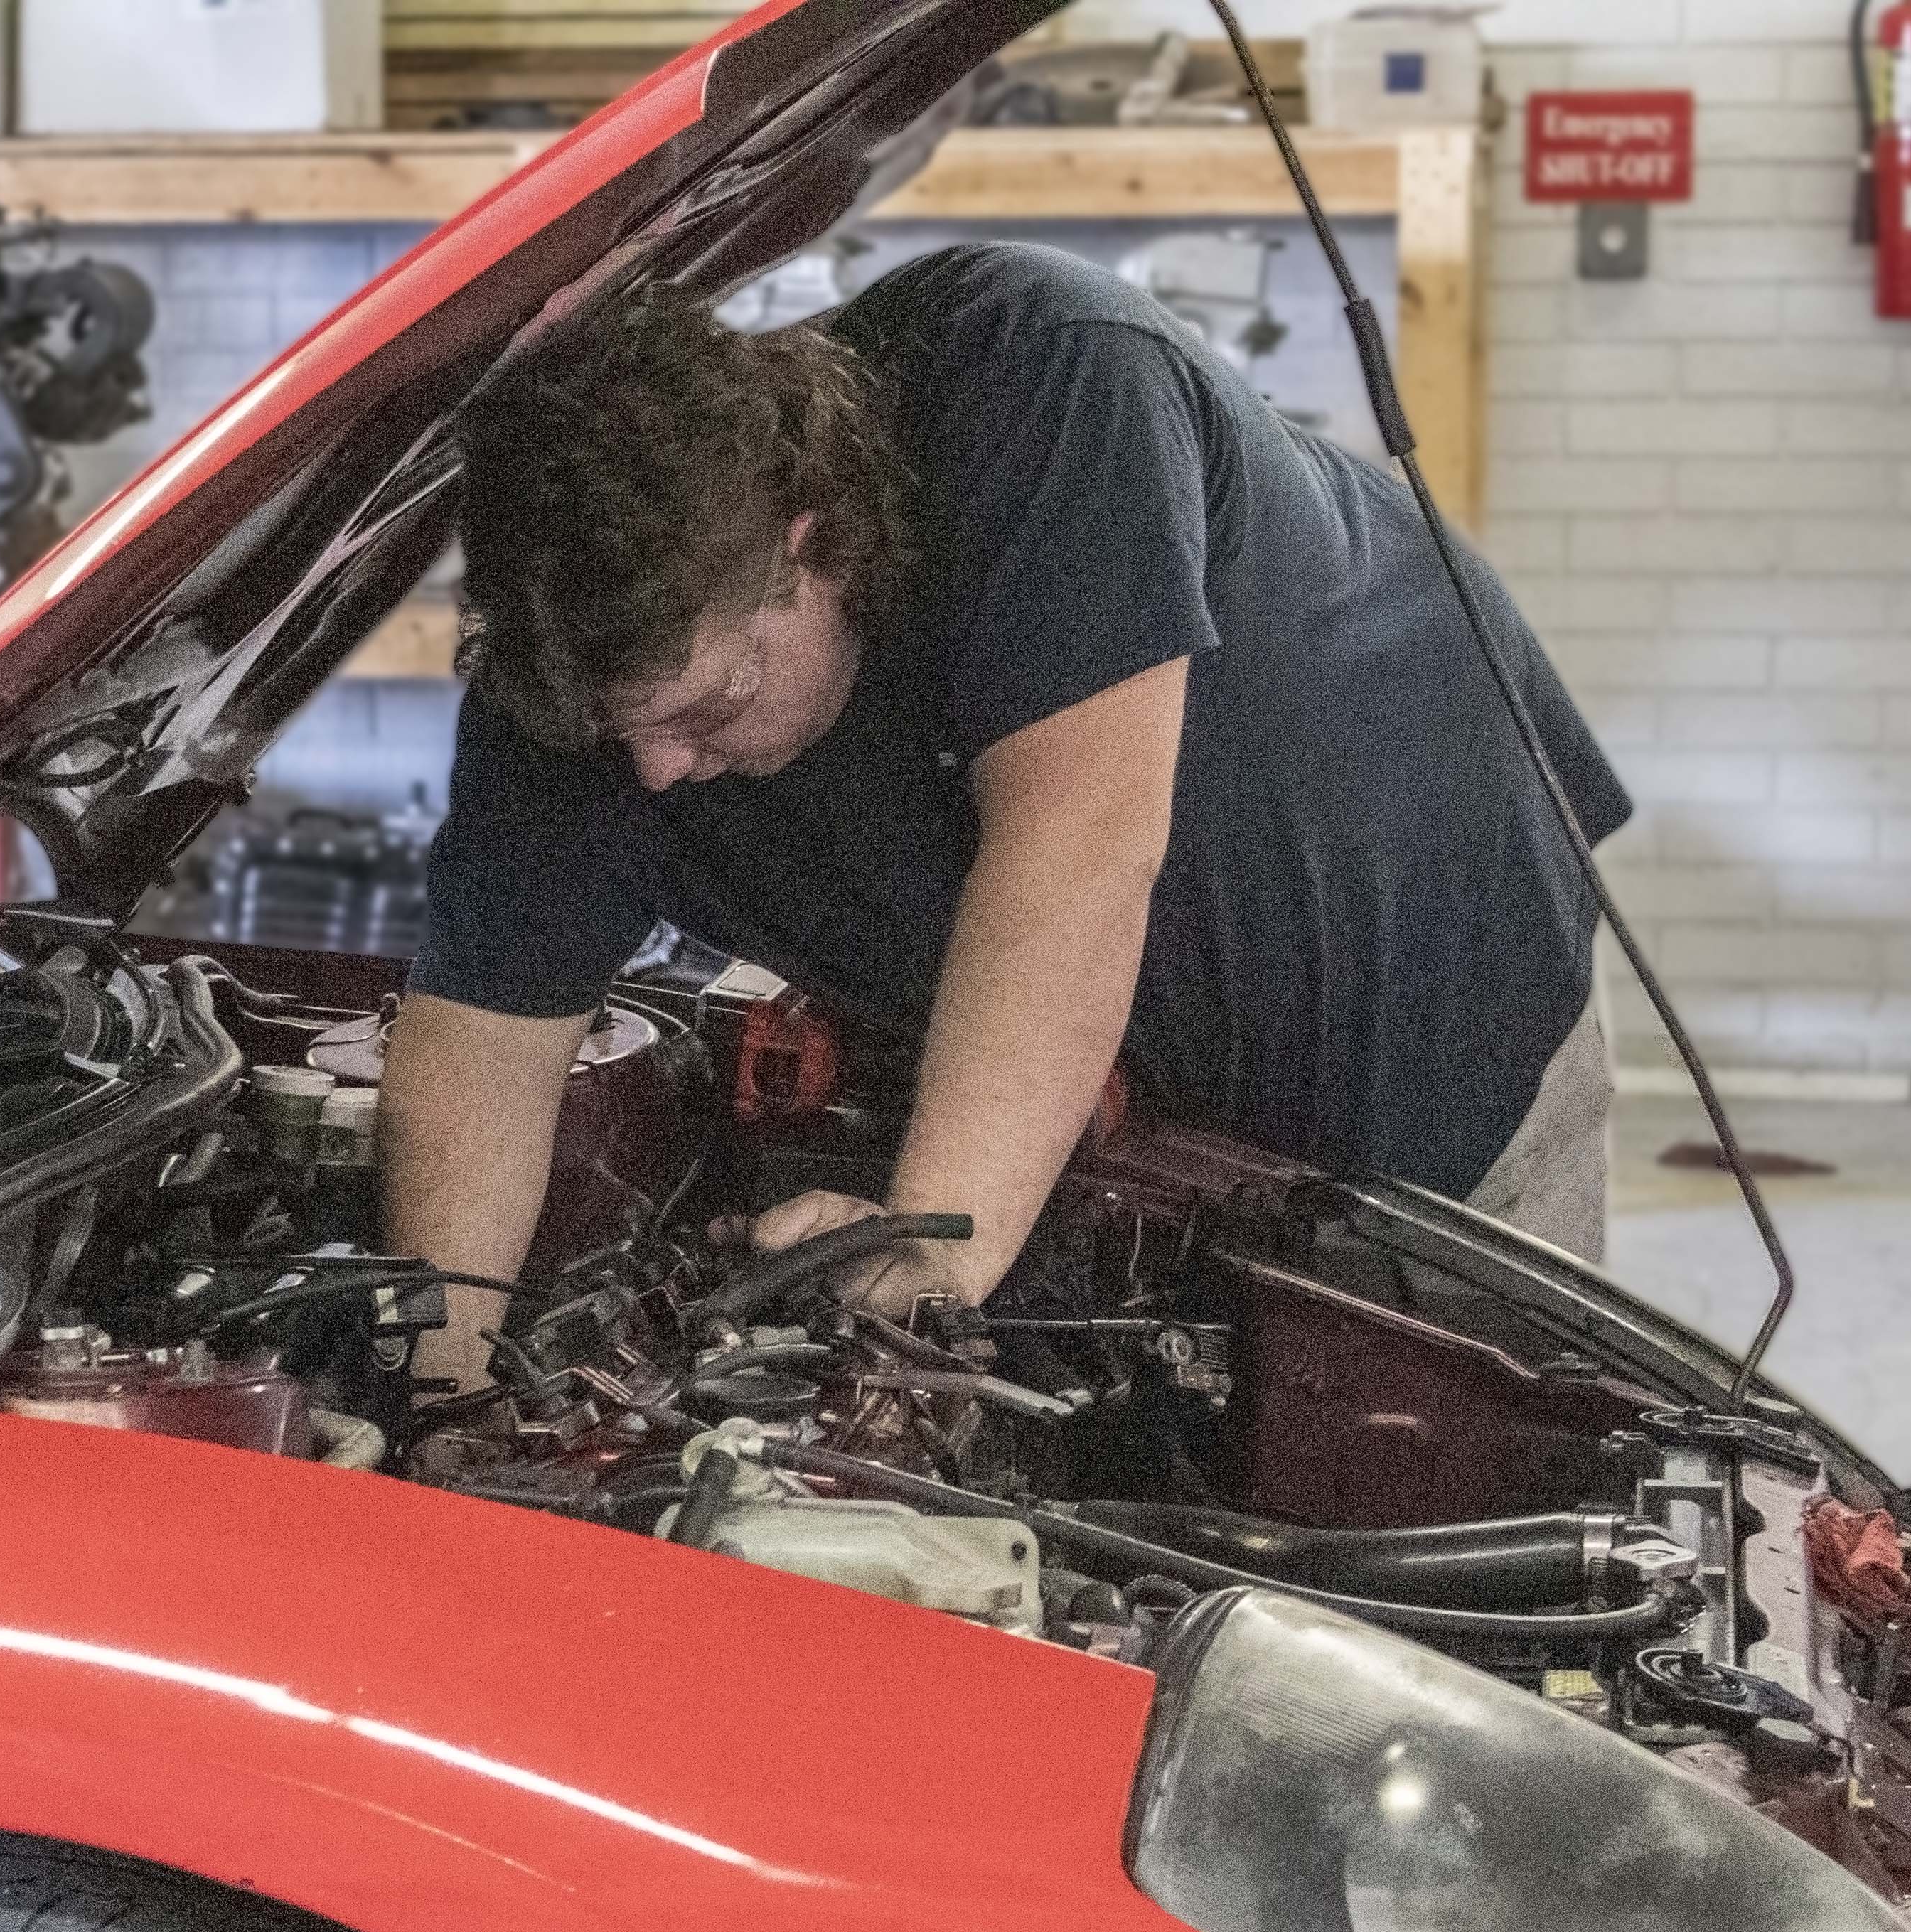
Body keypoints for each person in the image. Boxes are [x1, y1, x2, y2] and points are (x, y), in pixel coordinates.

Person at [381, 243, 1627, 1397]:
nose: (654, 772)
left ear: (811, 547)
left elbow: (1077, 850)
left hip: (1439, 1023)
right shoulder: (569, 669)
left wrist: (938, 1246)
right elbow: (480, 1038)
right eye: (621, 734)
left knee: (1450, 1489)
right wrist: (441, 1393)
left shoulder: (1044, 385)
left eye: (711, 707)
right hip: (1144, 1142)